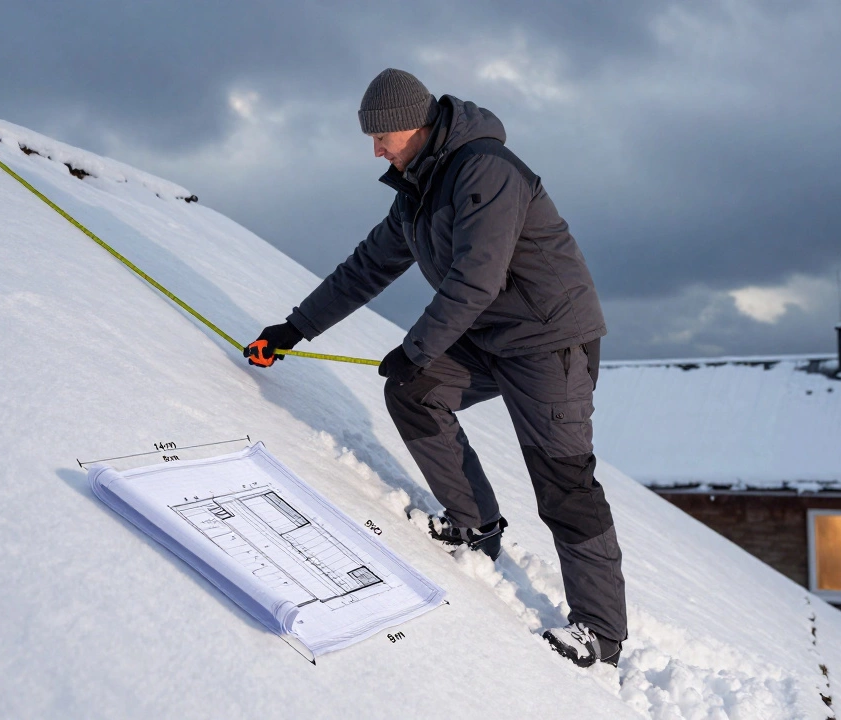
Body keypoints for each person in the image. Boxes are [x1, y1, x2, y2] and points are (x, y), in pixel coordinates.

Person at [246, 68, 626, 668]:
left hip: (550, 340)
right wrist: (293, 329)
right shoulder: (417, 189)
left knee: (563, 481)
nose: (375, 149)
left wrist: (418, 344)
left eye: (382, 135)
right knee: (414, 388)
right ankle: (477, 524)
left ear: (417, 125)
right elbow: (366, 267)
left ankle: (600, 632)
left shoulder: (485, 170)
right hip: (488, 335)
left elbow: (478, 277)